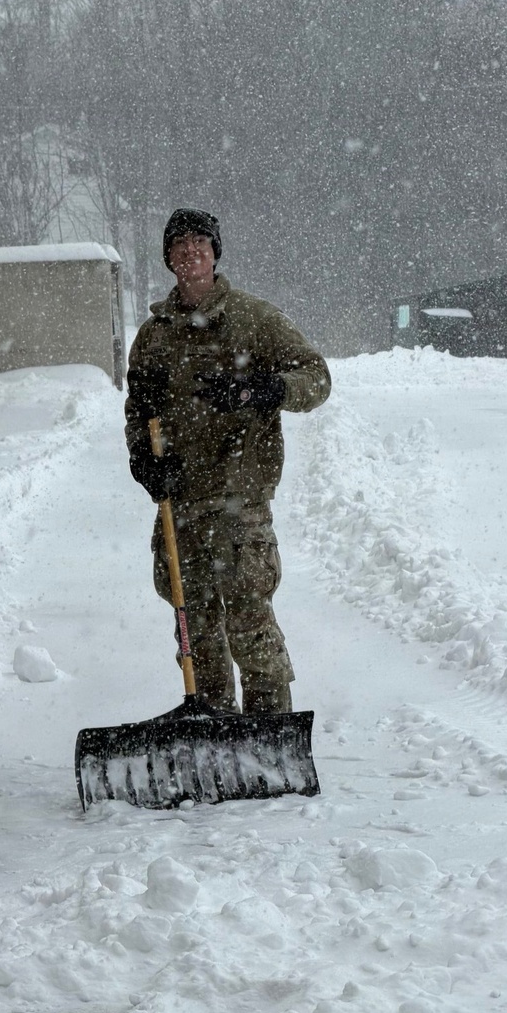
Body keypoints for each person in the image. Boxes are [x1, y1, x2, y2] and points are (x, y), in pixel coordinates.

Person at [124, 208, 331, 715]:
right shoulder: (153, 337)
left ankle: (268, 726)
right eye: (180, 244)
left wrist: (266, 388)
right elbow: (138, 412)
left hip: (239, 501)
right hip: (181, 505)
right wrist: (144, 464)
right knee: (193, 627)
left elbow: (317, 379)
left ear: (215, 252)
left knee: (248, 619)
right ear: (169, 258)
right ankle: (213, 728)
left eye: (200, 242)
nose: (191, 251)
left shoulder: (254, 318)